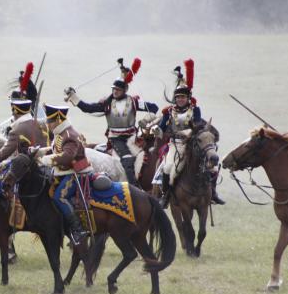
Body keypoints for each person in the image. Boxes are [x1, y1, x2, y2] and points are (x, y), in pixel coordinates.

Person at [64, 58, 158, 185]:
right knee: (127, 160)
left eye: (118, 90)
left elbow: (154, 108)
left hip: (132, 138)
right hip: (116, 139)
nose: (115, 91)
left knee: (145, 158)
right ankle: (133, 188)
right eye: (113, 89)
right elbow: (88, 108)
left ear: (124, 90)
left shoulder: (134, 102)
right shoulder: (107, 103)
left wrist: (146, 120)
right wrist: (73, 97)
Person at [150, 61, 222, 208]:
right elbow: (162, 127)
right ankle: (166, 196)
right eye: (178, 97)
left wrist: (189, 131)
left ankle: (213, 193)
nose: (180, 99)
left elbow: (196, 124)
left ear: (188, 98)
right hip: (175, 145)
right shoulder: (168, 112)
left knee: (212, 167)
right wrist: (157, 130)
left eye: (183, 97)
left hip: (191, 143)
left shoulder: (195, 110)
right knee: (167, 168)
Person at [0, 94, 49, 226]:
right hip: (45, 162)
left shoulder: (17, 129)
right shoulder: (41, 124)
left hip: (25, 165)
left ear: (15, 110)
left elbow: (6, 151)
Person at [39, 104, 89, 245]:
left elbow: (67, 156)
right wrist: (40, 152)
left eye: (50, 121)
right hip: (63, 171)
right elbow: (56, 150)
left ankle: (78, 229)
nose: (48, 125)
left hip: (75, 173)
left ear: (58, 120)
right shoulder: (61, 133)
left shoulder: (69, 135)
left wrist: (44, 160)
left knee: (59, 197)